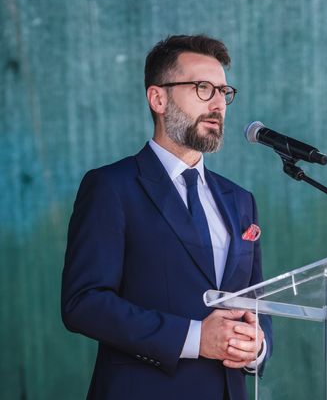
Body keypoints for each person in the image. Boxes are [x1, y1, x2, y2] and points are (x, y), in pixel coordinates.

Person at [61, 34, 272, 400]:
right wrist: (195, 338)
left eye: (224, 92)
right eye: (203, 88)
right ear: (158, 99)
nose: (218, 104)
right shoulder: (112, 186)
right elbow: (84, 303)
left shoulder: (241, 201)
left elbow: (255, 301)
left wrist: (257, 347)